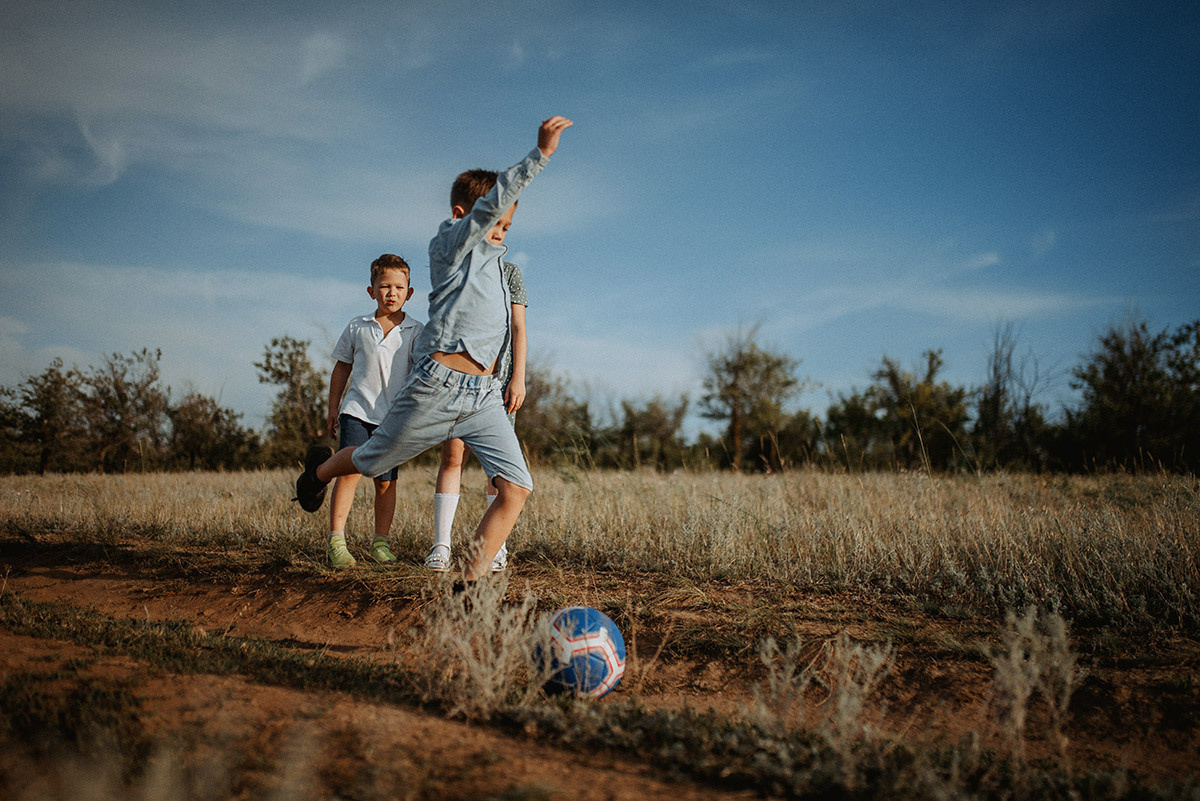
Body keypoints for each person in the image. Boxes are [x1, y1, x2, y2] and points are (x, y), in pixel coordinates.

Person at [294, 115, 573, 584]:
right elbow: (489, 209)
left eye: (507, 224)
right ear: (464, 217)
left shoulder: (501, 272)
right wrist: (540, 156)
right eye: (494, 220)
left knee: (517, 488)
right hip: (436, 388)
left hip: (483, 396)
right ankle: (317, 472)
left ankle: (467, 586)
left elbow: (509, 330)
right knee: (370, 459)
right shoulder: (448, 247)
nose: (501, 230)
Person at [426, 259, 528, 573]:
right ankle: (440, 547)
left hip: (498, 384)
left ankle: (494, 549)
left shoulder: (510, 273)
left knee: (497, 466)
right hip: (458, 381)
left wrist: (518, 377)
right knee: (452, 456)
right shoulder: (455, 269)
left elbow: (518, 327)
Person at [323, 253, 424, 568]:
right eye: (384, 286)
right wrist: (332, 408)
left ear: (409, 292)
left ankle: (380, 542)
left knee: (385, 482)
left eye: (398, 287)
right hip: (357, 410)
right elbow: (341, 369)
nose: (391, 293)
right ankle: (336, 541)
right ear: (371, 291)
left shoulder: (416, 331)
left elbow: (421, 373)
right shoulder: (358, 326)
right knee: (350, 471)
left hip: (393, 419)